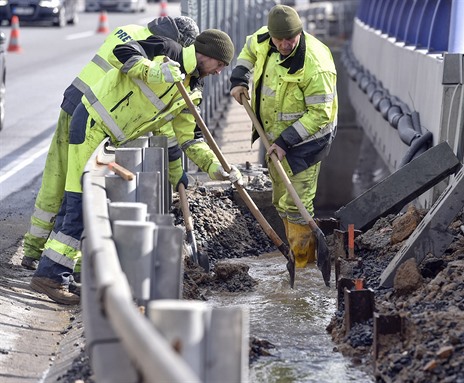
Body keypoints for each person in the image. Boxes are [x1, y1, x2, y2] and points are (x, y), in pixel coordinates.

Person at [30, 30, 241, 305]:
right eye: (220, 65)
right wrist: (157, 71)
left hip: (108, 138)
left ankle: (59, 275)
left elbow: (190, 139)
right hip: (92, 123)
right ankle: (50, 277)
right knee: (79, 202)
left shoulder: (193, 90)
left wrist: (217, 168)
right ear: (206, 55)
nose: (219, 72)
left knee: (83, 204)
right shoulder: (167, 49)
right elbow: (123, 53)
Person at [21, 16, 200, 273]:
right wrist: (174, 165)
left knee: (62, 180)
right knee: (80, 190)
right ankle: (69, 263)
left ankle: (34, 251)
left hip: (77, 104)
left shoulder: (130, 30)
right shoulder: (161, 53)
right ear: (181, 41)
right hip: (97, 117)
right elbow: (157, 114)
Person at [230, 5, 338, 269]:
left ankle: (303, 266)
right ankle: (297, 255)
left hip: (305, 143)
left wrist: (285, 142)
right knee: (281, 200)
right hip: (273, 138)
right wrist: (239, 78)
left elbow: (320, 114)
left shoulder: (315, 64)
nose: (285, 44)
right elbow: (247, 50)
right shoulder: (265, 39)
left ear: (299, 32)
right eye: (279, 39)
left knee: (297, 204)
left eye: (290, 38)